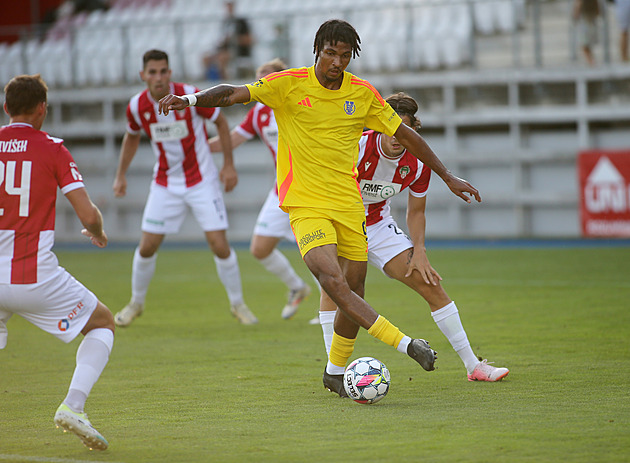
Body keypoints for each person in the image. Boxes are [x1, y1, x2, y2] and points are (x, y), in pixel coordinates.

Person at [157, 19, 481, 398]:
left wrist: (447, 176)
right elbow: (233, 93)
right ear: (317, 50)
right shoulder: (288, 83)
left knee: (355, 285)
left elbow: (405, 135)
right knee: (335, 283)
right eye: (331, 53)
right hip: (305, 204)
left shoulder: (361, 94)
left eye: (345, 56)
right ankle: (407, 344)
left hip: (348, 204)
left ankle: (333, 372)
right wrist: (190, 99)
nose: (337, 62)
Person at [317, 92, 509, 382]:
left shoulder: (418, 164)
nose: (396, 137)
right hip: (338, 221)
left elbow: (416, 211)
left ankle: (474, 366)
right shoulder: (357, 146)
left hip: (378, 226)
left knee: (429, 282)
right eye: (390, 128)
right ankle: (336, 372)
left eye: (403, 130)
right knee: (335, 287)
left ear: (412, 130)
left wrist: (419, 249)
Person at [0, 74, 114, 449]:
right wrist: (96, 231)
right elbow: (86, 213)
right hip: (33, 276)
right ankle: (74, 406)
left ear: (6, 108)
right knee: (102, 322)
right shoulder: (52, 148)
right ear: (42, 109)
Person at [113, 49, 257, 327]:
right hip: (165, 183)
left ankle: (238, 305)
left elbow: (221, 122)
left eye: (163, 71)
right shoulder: (136, 106)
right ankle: (136, 303)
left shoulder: (189, 95)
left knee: (219, 245)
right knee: (146, 247)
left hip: (202, 180)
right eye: (152, 72)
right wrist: (120, 175)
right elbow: (131, 137)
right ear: (142, 75)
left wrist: (228, 164)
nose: (158, 77)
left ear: (170, 72)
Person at [208, 58, 312, 319]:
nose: (261, 84)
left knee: (317, 251)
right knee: (260, 249)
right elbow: (231, 139)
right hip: (282, 190)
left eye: (267, 78)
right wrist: (196, 145)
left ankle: (333, 308)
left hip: (312, 190)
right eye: (259, 79)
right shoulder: (259, 113)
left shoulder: (301, 103)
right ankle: (298, 288)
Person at [203, 1, 253, 80]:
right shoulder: (225, 22)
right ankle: (208, 80)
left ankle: (225, 81)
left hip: (239, 51)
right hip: (225, 49)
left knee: (222, 58)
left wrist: (233, 39)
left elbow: (250, 39)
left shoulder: (241, 22)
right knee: (206, 57)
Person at [573, 0, 601, 66]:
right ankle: (591, 60)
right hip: (590, 17)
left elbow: (578, 4)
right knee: (586, 42)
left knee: (584, 43)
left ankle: (591, 61)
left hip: (585, 18)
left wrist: (575, 15)